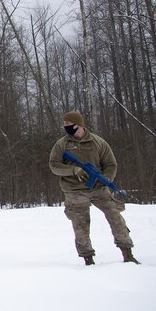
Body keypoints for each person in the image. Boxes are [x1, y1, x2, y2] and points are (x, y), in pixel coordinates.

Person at [49, 111, 139, 265]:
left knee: (116, 218)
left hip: (99, 188)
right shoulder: (61, 144)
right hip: (74, 190)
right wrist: (73, 170)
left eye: (69, 124)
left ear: (79, 125)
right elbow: (54, 165)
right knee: (80, 225)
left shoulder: (98, 142)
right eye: (64, 125)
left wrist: (107, 178)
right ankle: (88, 259)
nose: (66, 127)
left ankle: (127, 253)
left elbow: (111, 164)